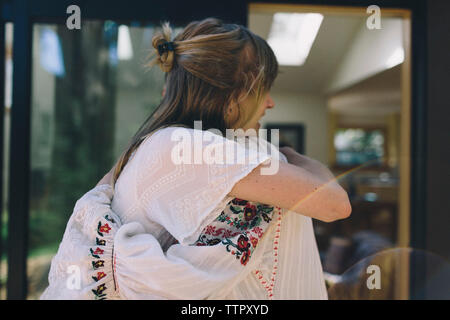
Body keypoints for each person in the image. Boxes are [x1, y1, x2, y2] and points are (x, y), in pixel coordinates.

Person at [41, 18, 351, 300]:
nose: (270, 103)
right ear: (229, 92)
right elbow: (335, 204)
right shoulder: (188, 147)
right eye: (262, 89)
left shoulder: (152, 145)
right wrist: (287, 154)